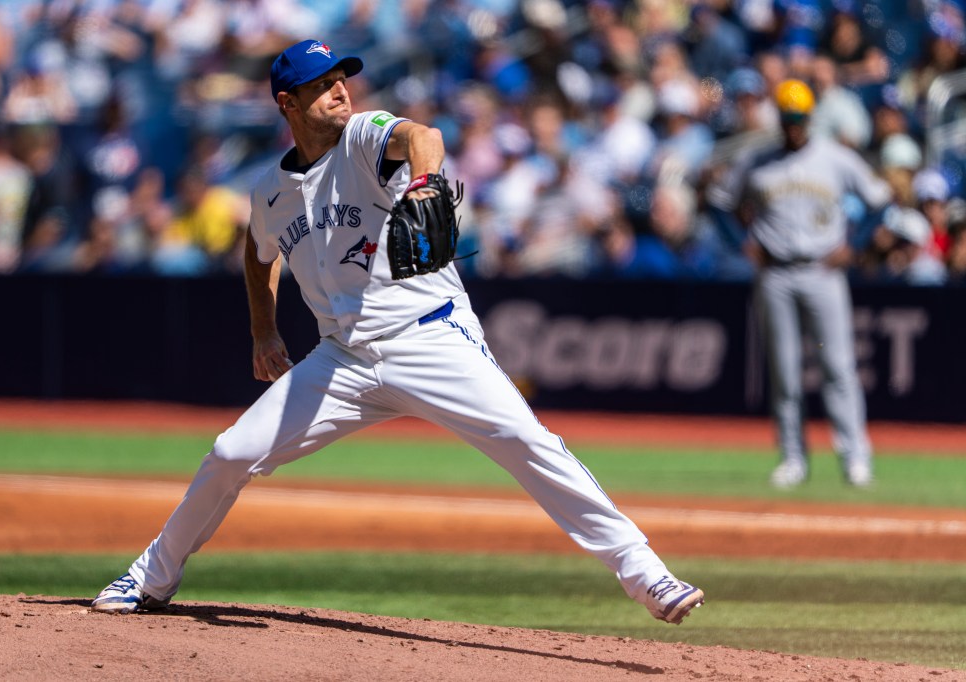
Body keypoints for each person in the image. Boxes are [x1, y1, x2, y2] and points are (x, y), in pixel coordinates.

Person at [90, 39, 704, 625]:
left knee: (526, 437)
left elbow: (422, 136)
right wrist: (262, 331)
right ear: (287, 103)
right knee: (230, 452)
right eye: (321, 85)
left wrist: (424, 181)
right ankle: (151, 577)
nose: (339, 92)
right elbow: (258, 254)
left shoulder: (362, 137)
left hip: (429, 336)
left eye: (341, 80)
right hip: (343, 360)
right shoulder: (271, 191)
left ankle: (646, 573)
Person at [712, 79, 891, 488]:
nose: (793, 126)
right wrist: (742, 243)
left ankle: (855, 457)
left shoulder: (835, 158)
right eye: (788, 119)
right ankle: (793, 458)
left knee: (838, 365)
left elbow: (879, 201)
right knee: (785, 371)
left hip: (822, 270)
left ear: (809, 119)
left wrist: (856, 245)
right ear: (779, 118)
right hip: (775, 271)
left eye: (799, 119)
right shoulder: (757, 161)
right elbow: (720, 201)